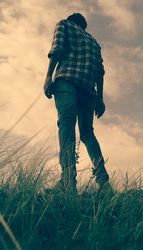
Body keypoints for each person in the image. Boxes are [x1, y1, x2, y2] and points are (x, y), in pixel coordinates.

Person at [43, 13, 110, 193]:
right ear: (84, 25)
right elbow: (100, 72)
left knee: (66, 123)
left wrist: (49, 76)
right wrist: (100, 98)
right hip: (89, 90)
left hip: (67, 81)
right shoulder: (94, 43)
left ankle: (68, 181)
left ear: (71, 20)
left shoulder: (64, 24)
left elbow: (57, 49)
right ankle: (103, 182)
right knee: (88, 133)